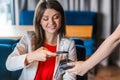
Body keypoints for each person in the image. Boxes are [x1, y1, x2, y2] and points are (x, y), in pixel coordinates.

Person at [6, 0, 77, 80]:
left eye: (56, 17)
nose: (51, 22)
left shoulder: (68, 45)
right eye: (46, 19)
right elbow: (9, 64)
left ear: (62, 19)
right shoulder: (29, 38)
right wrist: (33, 56)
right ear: (39, 21)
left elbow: (70, 77)